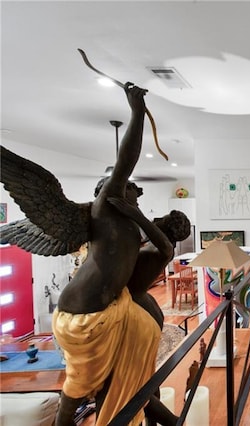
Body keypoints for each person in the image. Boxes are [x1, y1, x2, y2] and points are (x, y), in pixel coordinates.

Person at [48, 82, 158, 426]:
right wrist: (137, 112)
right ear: (111, 191)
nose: (135, 193)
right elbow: (126, 158)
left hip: (109, 305)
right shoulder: (105, 209)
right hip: (84, 311)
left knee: (116, 376)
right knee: (79, 383)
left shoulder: (127, 219)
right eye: (131, 189)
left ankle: (132, 412)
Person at [105, 200, 191, 426]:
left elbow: (150, 231)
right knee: (146, 375)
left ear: (169, 226)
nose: (157, 220)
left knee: (133, 380)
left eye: (162, 218)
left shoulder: (163, 249)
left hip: (136, 311)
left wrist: (136, 214)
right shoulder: (155, 246)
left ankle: (172, 421)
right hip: (141, 305)